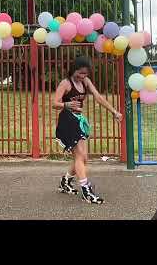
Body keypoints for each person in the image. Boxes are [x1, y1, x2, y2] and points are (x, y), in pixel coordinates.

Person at [53, 56, 122, 204]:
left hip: (78, 121)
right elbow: (55, 103)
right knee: (79, 156)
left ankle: (65, 182)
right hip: (67, 121)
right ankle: (86, 191)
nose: (82, 76)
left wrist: (114, 111)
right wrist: (66, 105)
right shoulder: (66, 83)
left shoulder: (85, 81)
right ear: (73, 69)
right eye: (80, 73)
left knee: (83, 158)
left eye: (85, 73)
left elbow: (98, 97)